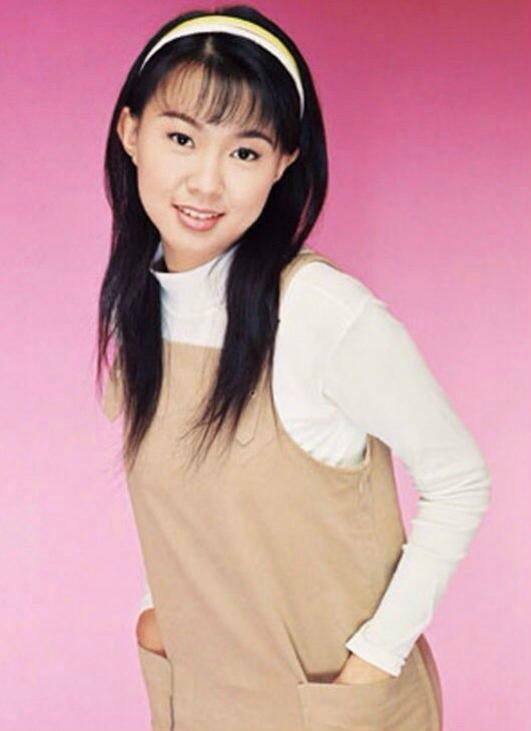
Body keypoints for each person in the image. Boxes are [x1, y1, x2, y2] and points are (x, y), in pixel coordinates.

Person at [97, 5, 491, 730]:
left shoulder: (318, 312)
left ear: (283, 162)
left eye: (244, 152)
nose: (206, 182)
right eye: (181, 138)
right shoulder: (140, 309)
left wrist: (375, 657)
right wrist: (157, 611)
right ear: (130, 132)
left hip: (329, 706)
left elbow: (460, 479)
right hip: (204, 704)